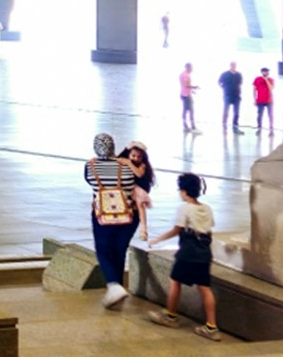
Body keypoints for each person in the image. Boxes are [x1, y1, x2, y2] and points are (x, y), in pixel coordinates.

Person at [146, 172, 221, 341]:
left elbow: (176, 230)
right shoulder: (207, 208)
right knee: (205, 288)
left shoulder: (185, 208)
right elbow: (209, 228)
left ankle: (170, 316)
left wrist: (157, 239)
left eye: (180, 189)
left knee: (175, 281)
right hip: (204, 252)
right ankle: (211, 327)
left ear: (185, 191)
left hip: (188, 252)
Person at [83, 133, 139, 310]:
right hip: (128, 214)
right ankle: (118, 290)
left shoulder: (90, 166)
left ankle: (114, 285)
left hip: (103, 215)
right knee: (119, 251)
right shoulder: (126, 165)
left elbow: (89, 181)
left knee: (103, 250)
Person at [124, 141, 157, 241]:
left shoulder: (142, 165)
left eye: (139, 157)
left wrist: (129, 163)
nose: (136, 159)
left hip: (140, 187)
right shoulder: (125, 160)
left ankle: (144, 229)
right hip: (131, 186)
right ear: (128, 154)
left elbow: (139, 174)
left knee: (140, 204)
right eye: (133, 156)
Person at [218, 61, 243, 134]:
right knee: (226, 112)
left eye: (234, 65)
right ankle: (224, 127)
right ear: (230, 65)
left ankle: (235, 128)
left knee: (236, 113)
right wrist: (223, 88)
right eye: (232, 65)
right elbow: (219, 82)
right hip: (227, 95)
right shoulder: (225, 74)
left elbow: (240, 83)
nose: (233, 66)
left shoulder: (238, 74)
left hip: (236, 95)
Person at [252, 66, 275, 133]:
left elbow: (271, 88)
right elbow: (254, 89)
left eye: (267, 71)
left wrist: (266, 80)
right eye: (265, 71)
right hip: (260, 100)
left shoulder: (271, 80)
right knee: (259, 115)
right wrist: (254, 99)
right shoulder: (257, 79)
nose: (266, 73)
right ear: (262, 72)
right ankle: (259, 128)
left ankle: (271, 129)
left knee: (270, 115)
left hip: (269, 100)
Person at [179, 62, 200, 133]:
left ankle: (185, 126)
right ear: (187, 67)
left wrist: (192, 90)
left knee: (185, 110)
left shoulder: (183, 74)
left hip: (184, 94)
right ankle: (192, 127)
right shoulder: (186, 75)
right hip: (186, 95)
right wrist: (194, 87)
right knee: (191, 111)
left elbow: (185, 86)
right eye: (191, 68)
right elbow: (186, 85)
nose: (192, 69)